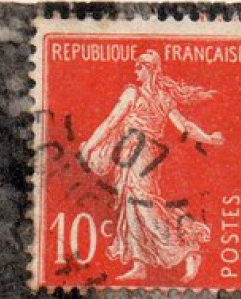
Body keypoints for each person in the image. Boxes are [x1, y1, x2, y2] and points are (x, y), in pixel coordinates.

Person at [78, 50, 224, 283]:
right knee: (130, 205)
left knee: (145, 205)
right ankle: (139, 264)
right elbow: (111, 121)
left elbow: (184, 126)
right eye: (136, 66)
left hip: (145, 155)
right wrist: (91, 146)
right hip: (128, 154)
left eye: (140, 67)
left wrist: (208, 138)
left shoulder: (162, 98)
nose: (136, 71)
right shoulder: (131, 93)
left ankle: (187, 249)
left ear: (152, 69)